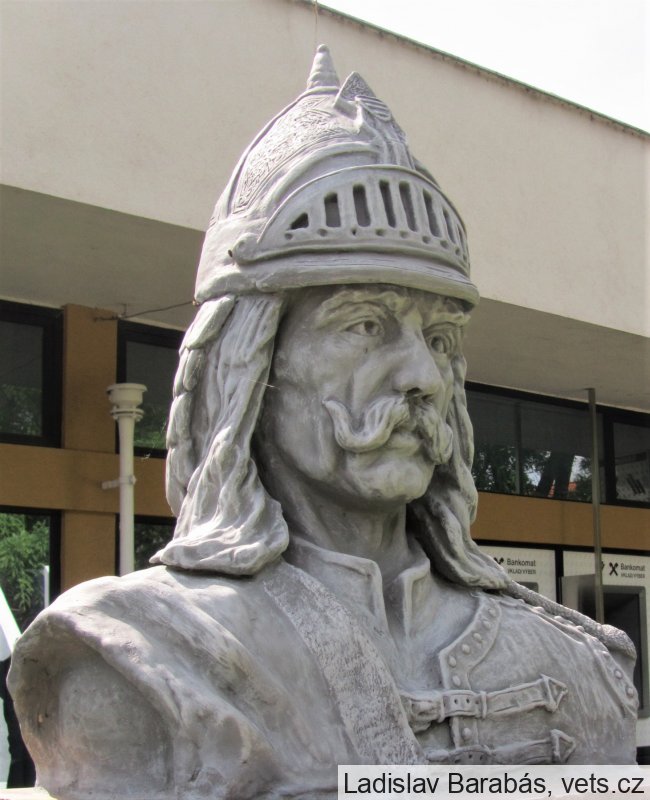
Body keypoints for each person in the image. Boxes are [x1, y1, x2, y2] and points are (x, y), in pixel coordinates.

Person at [8, 46, 637, 800]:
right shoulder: (139, 655)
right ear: (250, 367)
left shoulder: (577, 663)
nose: (422, 375)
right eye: (364, 325)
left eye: (440, 340)